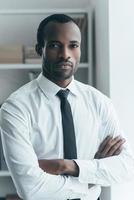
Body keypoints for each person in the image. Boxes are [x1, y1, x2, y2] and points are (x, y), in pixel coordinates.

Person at [0, 14, 134, 200]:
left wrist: (67, 166)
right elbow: (30, 188)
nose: (65, 54)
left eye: (73, 45)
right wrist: (92, 176)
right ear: (40, 50)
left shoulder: (99, 102)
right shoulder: (16, 107)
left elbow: (127, 166)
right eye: (55, 45)